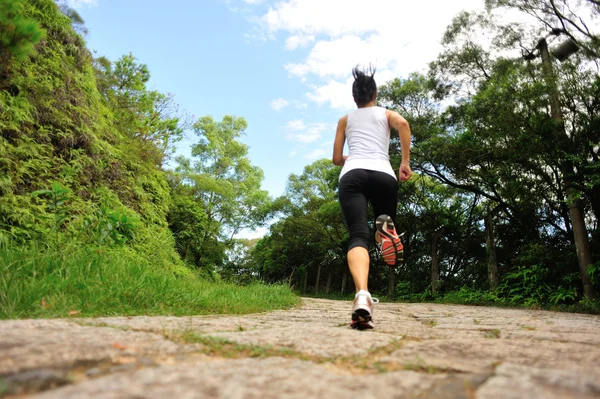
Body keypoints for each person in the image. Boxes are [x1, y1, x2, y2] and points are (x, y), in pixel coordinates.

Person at [332, 65, 412, 330]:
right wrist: (404, 163)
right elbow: (403, 124)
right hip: (383, 175)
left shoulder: (345, 120)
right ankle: (383, 232)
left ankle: (362, 295)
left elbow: (335, 159)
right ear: (375, 94)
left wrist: (351, 158)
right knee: (384, 219)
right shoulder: (386, 113)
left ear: (354, 98)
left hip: (352, 175)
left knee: (357, 235)